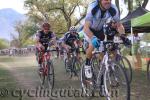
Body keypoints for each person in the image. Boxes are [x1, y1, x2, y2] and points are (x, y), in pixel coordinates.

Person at [83, 0, 130, 79]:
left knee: (103, 51)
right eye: (105, 0)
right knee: (92, 45)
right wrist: (93, 37)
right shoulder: (93, 7)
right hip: (89, 30)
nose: (108, 1)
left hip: (100, 30)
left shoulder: (113, 8)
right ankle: (87, 65)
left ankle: (103, 72)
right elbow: (86, 28)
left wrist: (123, 36)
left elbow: (119, 25)